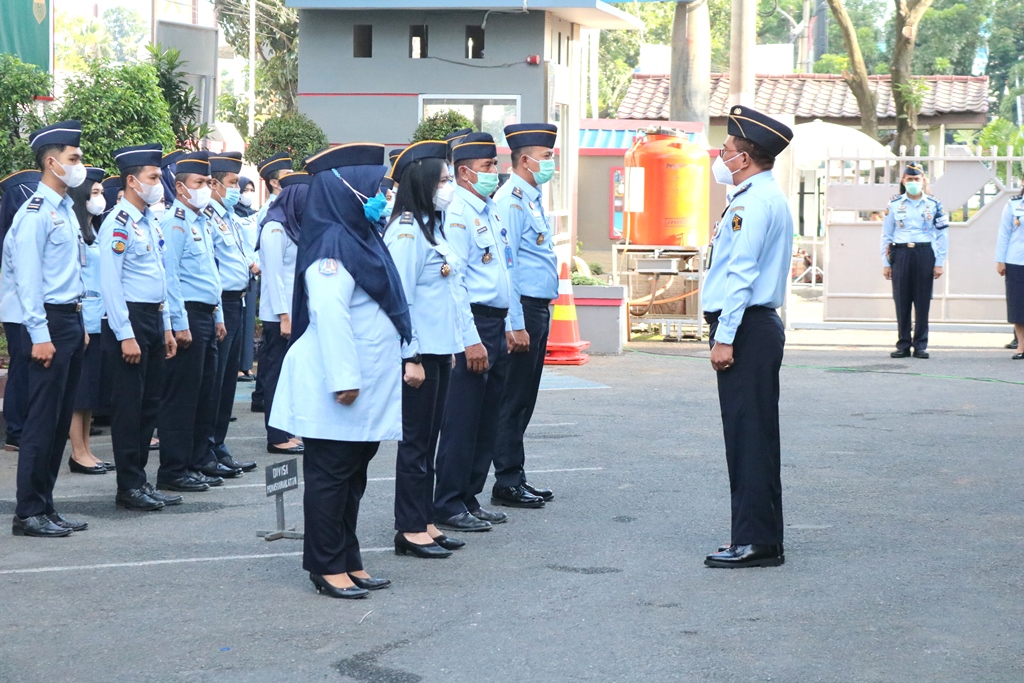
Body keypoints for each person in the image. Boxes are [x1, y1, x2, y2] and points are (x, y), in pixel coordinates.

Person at [270, 143, 410, 599]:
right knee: (331, 475)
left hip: (366, 379)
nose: (383, 193)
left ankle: (348, 558)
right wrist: (345, 379)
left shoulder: (360, 235)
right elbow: (330, 315)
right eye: (374, 185)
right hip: (340, 381)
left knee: (353, 474)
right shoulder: (332, 243)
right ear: (347, 190)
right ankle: (326, 565)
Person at [702, 107, 793, 568]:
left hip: (747, 328)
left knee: (748, 436)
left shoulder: (753, 202)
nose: (720, 155)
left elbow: (741, 275)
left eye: (727, 149)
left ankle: (755, 541)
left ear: (744, 158)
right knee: (752, 434)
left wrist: (725, 336)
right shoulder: (755, 195)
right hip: (752, 327)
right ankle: (759, 536)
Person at [384, 141, 466, 558]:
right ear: (422, 183)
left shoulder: (432, 227)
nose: (450, 187)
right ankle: (409, 527)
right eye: (445, 180)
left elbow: (446, 296)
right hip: (416, 356)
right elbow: (402, 300)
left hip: (437, 350)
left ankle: (426, 520)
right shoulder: (404, 232)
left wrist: (448, 346)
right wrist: (410, 355)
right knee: (415, 443)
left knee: (429, 440)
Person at [9, 120, 89, 537]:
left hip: (69, 320)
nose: (80, 166)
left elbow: (74, 271)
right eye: (74, 159)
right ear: (52, 162)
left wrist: (82, 323)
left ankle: (47, 505)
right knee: (41, 421)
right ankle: (27, 512)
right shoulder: (34, 214)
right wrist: (39, 334)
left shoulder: (65, 211)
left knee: (59, 422)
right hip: (47, 324)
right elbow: (28, 280)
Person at [433, 132, 514, 533]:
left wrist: (511, 324)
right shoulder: (457, 213)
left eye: (495, 166)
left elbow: (503, 271)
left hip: (495, 322)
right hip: (473, 323)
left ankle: (469, 495)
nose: (494, 173)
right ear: (464, 172)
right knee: (463, 418)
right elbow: (456, 281)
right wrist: (469, 338)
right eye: (487, 168)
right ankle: (447, 501)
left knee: (487, 418)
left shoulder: (488, 209)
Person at [100, 143, 182, 511]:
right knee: (129, 408)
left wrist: (164, 325)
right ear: (132, 181)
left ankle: (141, 481)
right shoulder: (117, 224)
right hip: (129, 320)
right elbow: (111, 284)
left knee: (150, 405)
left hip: (151, 317)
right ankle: (128, 485)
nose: (159, 183)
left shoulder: (148, 221)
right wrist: (125, 334)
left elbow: (158, 278)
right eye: (153, 177)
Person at [490, 123, 560, 508]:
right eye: (547, 157)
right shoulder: (511, 200)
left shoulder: (530, 198)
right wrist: (514, 322)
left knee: (524, 396)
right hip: (524, 311)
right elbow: (508, 267)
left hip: (537, 309)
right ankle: (507, 480)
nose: (551, 163)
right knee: (513, 397)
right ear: (525, 160)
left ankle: (515, 474)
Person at [156, 151, 225, 493]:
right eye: (199, 183)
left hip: (206, 315)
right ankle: (173, 468)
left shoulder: (202, 222)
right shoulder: (176, 222)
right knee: (181, 397)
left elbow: (211, 273)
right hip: (189, 317)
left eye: (208, 182)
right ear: (181, 188)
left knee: (204, 395)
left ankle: (197, 460)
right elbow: (171, 278)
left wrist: (219, 315)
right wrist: (179, 322)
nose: (205, 189)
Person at [202, 152, 259, 477]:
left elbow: (240, 254)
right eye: (233, 183)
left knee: (226, 384)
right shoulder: (208, 217)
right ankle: (207, 447)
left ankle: (218, 444)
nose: (237, 189)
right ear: (215, 185)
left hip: (236, 301)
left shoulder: (228, 217)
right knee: (214, 381)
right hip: (219, 302)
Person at [256, 171, 308, 455]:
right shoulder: (274, 228)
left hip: (293, 312)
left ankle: (287, 428)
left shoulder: (292, 226)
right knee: (276, 374)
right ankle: (276, 435)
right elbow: (273, 277)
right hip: (280, 317)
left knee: (290, 374)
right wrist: (284, 316)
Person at [67, 165, 112, 475]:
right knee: (79, 392)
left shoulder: (94, 230)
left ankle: (86, 448)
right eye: (94, 193)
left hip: (99, 319)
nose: (100, 198)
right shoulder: (75, 232)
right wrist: (81, 322)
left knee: (90, 393)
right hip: (84, 317)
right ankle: (77, 451)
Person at [881, 163, 948, 359]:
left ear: (923, 181)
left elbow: (943, 235)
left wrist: (939, 262)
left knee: (922, 300)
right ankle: (903, 344)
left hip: (924, 253)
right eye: (909, 179)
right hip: (901, 254)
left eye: (916, 179)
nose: (913, 183)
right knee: (901, 300)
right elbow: (886, 235)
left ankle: (920, 344)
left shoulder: (934, 205)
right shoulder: (894, 204)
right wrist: (886, 263)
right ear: (903, 181)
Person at [0, 169, 41, 453]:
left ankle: (25, 425)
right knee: (21, 367)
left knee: (28, 367)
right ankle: (16, 430)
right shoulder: (16, 231)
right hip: (18, 312)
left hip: (28, 310)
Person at [252, 152, 293, 413]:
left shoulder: (289, 209)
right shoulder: (273, 213)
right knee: (273, 358)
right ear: (275, 183)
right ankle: (264, 400)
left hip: (284, 300)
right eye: (287, 177)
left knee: (273, 357)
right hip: (277, 303)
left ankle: (262, 398)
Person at [236, 175, 260, 383]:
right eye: (246, 189)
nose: (248, 194)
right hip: (241, 271)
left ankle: (246, 365)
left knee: (249, 320)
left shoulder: (254, 215)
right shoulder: (232, 215)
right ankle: (236, 366)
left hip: (253, 274)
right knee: (237, 321)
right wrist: (249, 263)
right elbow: (237, 246)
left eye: (251, 189)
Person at [996, 190, 1024, 359]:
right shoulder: (1013, 205)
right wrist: (1000, 260)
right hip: (1016, 260)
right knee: (1018, 306)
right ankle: (1021, 346)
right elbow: (1004, 233)